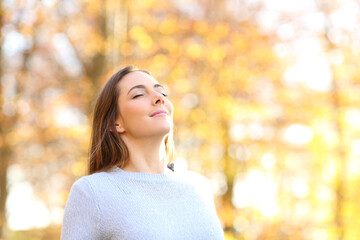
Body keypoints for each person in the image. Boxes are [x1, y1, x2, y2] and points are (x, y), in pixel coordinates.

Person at [60, 66, 225, 240]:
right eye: (138, 95)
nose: (159, 98)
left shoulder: (199, 186)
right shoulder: (91, 193)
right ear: (115, 123)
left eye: (162, 93)